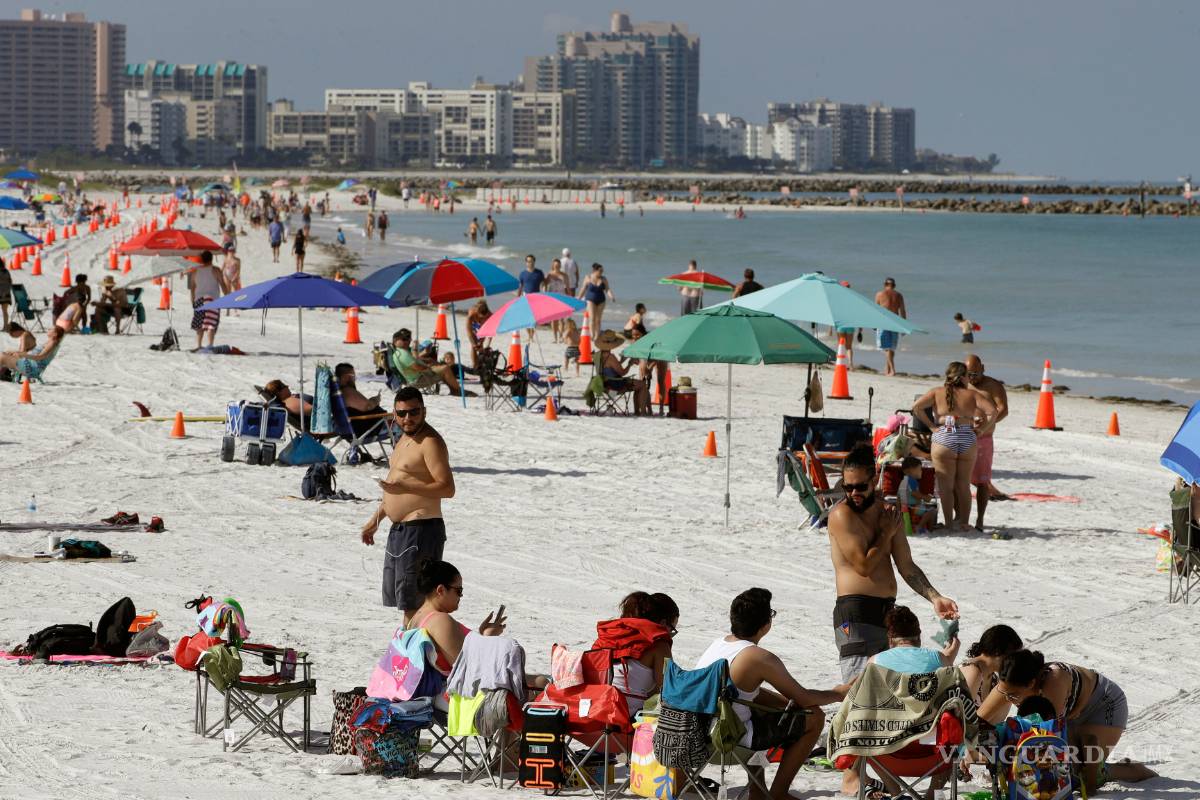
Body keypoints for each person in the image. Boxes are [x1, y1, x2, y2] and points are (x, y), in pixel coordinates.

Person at [696, 588, 848, 800]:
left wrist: (788, 703)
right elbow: (803, 696)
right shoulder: (758, 657)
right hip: (729, 738)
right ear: (766, 625)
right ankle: (779, 792)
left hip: (700, 733)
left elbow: (746, 693)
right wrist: (838, 693)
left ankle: (758, 790)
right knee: (814, 718)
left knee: (756, 707)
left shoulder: (718, 644)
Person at [980, 649, 1157, 794]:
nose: (1008, 699)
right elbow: (978, 720)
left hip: (1103, 706)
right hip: (1069, 715)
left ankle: (1134, 770)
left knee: (1077, 773)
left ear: (1031, 683)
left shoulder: (1054, 681)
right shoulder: (1010, 682)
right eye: (1004, 693)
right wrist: (970, 749)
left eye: (1013, 695)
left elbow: (1051, 740)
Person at [361, 388, 456, 619]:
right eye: (402, 413)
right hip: (401, 531)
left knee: (417, 603)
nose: (408, 418)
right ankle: (408, 649)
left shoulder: (430, 442)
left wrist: (406, 489)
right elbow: (395, 485)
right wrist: (375, 520)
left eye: (414, 412)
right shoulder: (403, 439)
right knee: (404, 601)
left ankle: (412, 653)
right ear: (394, 414)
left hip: (422, 529)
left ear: (424, 411)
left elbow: (447, 488)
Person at [913, 362, 997, 533]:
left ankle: (949, 524)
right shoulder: (972, 394)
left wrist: (931, 426)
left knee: (946, 486)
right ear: (964, 377)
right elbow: (993, 412)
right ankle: (964, 523)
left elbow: (917, 407)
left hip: (944, 436)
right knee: (963, 485)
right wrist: (981, 430)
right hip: (967, 435)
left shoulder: (937, 392)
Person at [592, 591, 678, 716]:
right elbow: (667, 689)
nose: (670, 635)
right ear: (663, 623)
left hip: (591, 712)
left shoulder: (606, 638)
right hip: (624, 719)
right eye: (672, 630)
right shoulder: (659, 645)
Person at [965, 354, 1010, 524]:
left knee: (982, 480)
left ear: (983, 368)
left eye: (975, 374)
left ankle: (980, 519)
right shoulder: (962, 383)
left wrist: (987, 425)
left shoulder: (993, 386)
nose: (972, 378)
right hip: (964, 434)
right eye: (969, 374)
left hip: (983, 437)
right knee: (961, 479)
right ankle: (961, 518)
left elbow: (1003, 410)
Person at [870, 605, 959, 672]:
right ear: (919, 637)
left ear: (890, 639)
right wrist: (948, 659)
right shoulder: (937, 657)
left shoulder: (874, 662)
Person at [389, 328, 466, 395]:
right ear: (395, 341)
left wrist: (425, 358)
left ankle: (455, 390)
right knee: (445, 368)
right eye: (404, 339)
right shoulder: (402, 354)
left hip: (417, 376)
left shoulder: (401, 351)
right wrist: (429, 367)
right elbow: (417, 367)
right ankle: (458, 391)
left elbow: (415, 360)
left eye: (408, 338)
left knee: (441, 368)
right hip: (418, 379)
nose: (407, 341)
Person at [596, 330, 650, 415]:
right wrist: (630, 364)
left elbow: (610, 368)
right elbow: (622, 373)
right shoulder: (611, 357)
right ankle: (642, 412)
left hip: (603, 385)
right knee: (642, 385)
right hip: (615, 388)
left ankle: (637, 412)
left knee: (637, 385)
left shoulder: (598, 355)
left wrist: (621, 361)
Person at [189, 250, 228, 349]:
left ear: (201, 259)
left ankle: (198, 345)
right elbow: (222, 284)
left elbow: (192, 288)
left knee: (200, 324)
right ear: (211, 259)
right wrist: (228, 296)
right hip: (213, 300)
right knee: (211, 323)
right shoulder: (216, 270)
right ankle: (210, 345)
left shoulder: (194, 271)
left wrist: (192, 301)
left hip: (199, 300)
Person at [334, 362, 386, 435]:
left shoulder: (336, 391)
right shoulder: (347, 391)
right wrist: (376, 400)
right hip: (367, 430)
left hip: (349, 428)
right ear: (346, 377)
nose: (354, 379)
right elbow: (368, 406)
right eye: (353, 375)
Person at [874, 278, 907, 376]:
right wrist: (904, 325)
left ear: (885, 284)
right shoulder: (899, 295)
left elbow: (875, 310)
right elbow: (903, 311)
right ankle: (887, 369)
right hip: (895, 322)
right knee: (891, 348)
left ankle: (892, 370)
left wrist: (874, 324)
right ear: (894, 285)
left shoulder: (879, 294)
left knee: (887, 348)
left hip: (883, 322)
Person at [897, 455, 938, 533]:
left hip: (905, 509)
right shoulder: (911, 480)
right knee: (933, 511)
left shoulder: (903, 482)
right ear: (909, 471)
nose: (921, 471)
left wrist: (899, 511)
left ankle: (921, 526)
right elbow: (914, 493)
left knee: (926, 508)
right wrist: (925, 497)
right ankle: (924, 527)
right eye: (919, 469)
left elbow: (898, 498)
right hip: (912, 509)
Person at [578, 263, 614, 340]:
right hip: (590, 300)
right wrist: (579, 298)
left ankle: (597, 336)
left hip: (601, 300)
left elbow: (607, 289)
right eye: (600, 271)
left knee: (598, 319)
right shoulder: (588, 277)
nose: (602, 272)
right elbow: (583, 289)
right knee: (592, 318)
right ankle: (592, 335)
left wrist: (611, 296)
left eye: (602, 271)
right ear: (595, 270)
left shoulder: (603, 279)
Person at [517, 254, 545, 340]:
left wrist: (544, 293)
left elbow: (544, 284)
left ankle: (532, 335)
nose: (530, 263)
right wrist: (518, 297)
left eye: (532, 261)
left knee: (534, 317)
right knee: (526, 317)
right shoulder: (522, 274)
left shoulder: (539, 273)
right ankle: (529, 335)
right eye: (528, 261)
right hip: (525, 297)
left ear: (534, 262)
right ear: (526, 263)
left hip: (536, 297)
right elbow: (520, 286)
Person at [544, 259, 569, 341]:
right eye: (555, 265)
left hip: (562, 298)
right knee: (554, 319)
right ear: (553, 266)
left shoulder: (564, 275)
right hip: (552, 299)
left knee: (562, 319)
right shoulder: (549, 275)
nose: (557, 267)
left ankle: (561, 335)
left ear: (560, 266)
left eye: (558, 265)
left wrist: (570, 298)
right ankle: (555, 337)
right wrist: (545, 297)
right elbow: (545, 286)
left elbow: (567, 288)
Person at [465, 302, 491, 368]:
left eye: (483, 318)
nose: (481, 319)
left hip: (483, 326)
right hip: (474, 323)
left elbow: (489, 332)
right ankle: (474, 365)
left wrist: (483, 342)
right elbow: (469, 331)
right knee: (474, 345)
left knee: (480, 345)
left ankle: (480, 364)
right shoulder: (471, 314)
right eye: (480, 317)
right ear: (477, 312)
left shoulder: (490, 316)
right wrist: (473, 343)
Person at [221, 244, 241, 316]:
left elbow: (238, 270)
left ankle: (236, 310)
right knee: (228, 294)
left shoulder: (237, 260)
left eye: (233, 251)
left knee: (235, 294)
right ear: (228, 251)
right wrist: (222, 277)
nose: (231, 252)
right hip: (226, 276)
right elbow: (222, 269)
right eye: (230, 251)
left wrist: (235, 278)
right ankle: (228, 311)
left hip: (234, 277)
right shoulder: (226, 259)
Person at [0, 256, 11, 327]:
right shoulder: (6, 271)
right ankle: (5, 326)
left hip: (0, 294)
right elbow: (10, 281)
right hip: (7, 294)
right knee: (5, 311)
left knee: (4, 311)